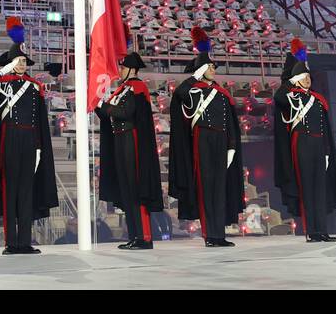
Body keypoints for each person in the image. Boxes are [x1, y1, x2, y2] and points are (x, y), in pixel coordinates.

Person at [0, 17, 58, 254]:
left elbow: (39, 120)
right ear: (10, 63)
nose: (22, 64)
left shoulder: (33, 86)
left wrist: (39, 146)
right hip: (9, 139)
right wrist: (4, 71)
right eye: (18, 60)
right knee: (9, 191)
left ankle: (25, 241)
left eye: (24, 61)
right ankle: (11, 242)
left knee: (26, 191)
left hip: (29, 141)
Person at [167, 29, 245, 247]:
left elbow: (230, 122)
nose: (213, 69)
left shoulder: (221, 93)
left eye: (213, 67)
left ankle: (219, 234)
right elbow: (180, 94)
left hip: (221, 142)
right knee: (206, 188)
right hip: (201, 140)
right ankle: (209, 234)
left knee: (220, 189)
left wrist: (231, 147)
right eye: (210, 66)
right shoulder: (192, 89)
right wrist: (195, 75)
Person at [96, 49, 162, 250]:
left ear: (132, 69)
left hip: (131, 141)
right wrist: (98, 105)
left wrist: (103, 105)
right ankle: (134, 235)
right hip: (120, 139)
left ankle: (143, 236)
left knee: (135, 190)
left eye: (123, 67)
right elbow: (110, 114)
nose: (120, 70)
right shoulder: (123, 88)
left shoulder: (137, 87)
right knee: (126, 191)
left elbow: (125, 112)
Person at [274, 60, 336, 242]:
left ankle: (322, 230)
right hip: (302, 144)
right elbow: (278, 97)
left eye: (308, 77)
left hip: (319, 145)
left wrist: (327, 151)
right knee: (307, 189)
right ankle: (312, 231)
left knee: (320, 190)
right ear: (296, 80)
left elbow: (325, 129)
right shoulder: (289, 96)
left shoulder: (317, 99)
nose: (307, 80)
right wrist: (291, 79)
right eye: (303, 77)